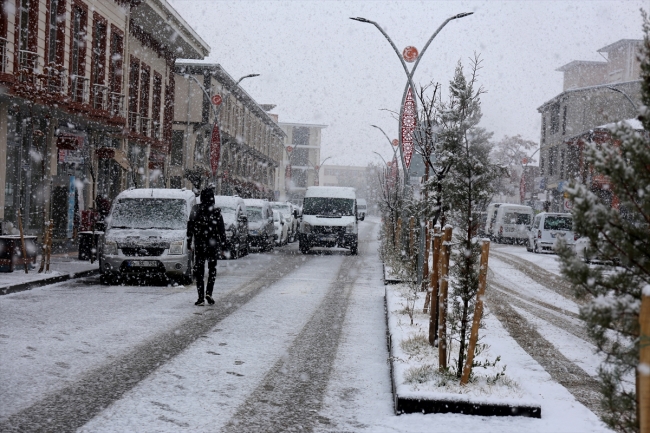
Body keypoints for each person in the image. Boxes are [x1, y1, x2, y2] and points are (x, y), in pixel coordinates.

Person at [187, 187, 225, 306]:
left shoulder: (196, 209)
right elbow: (221, 231)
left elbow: (190, 227)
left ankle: (200, 297)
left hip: (200, 244)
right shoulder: (216, 211)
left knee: (199, 270)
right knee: (212, 269)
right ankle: (209, 292)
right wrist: (223, 246)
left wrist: (189, 242)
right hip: (212, 245)